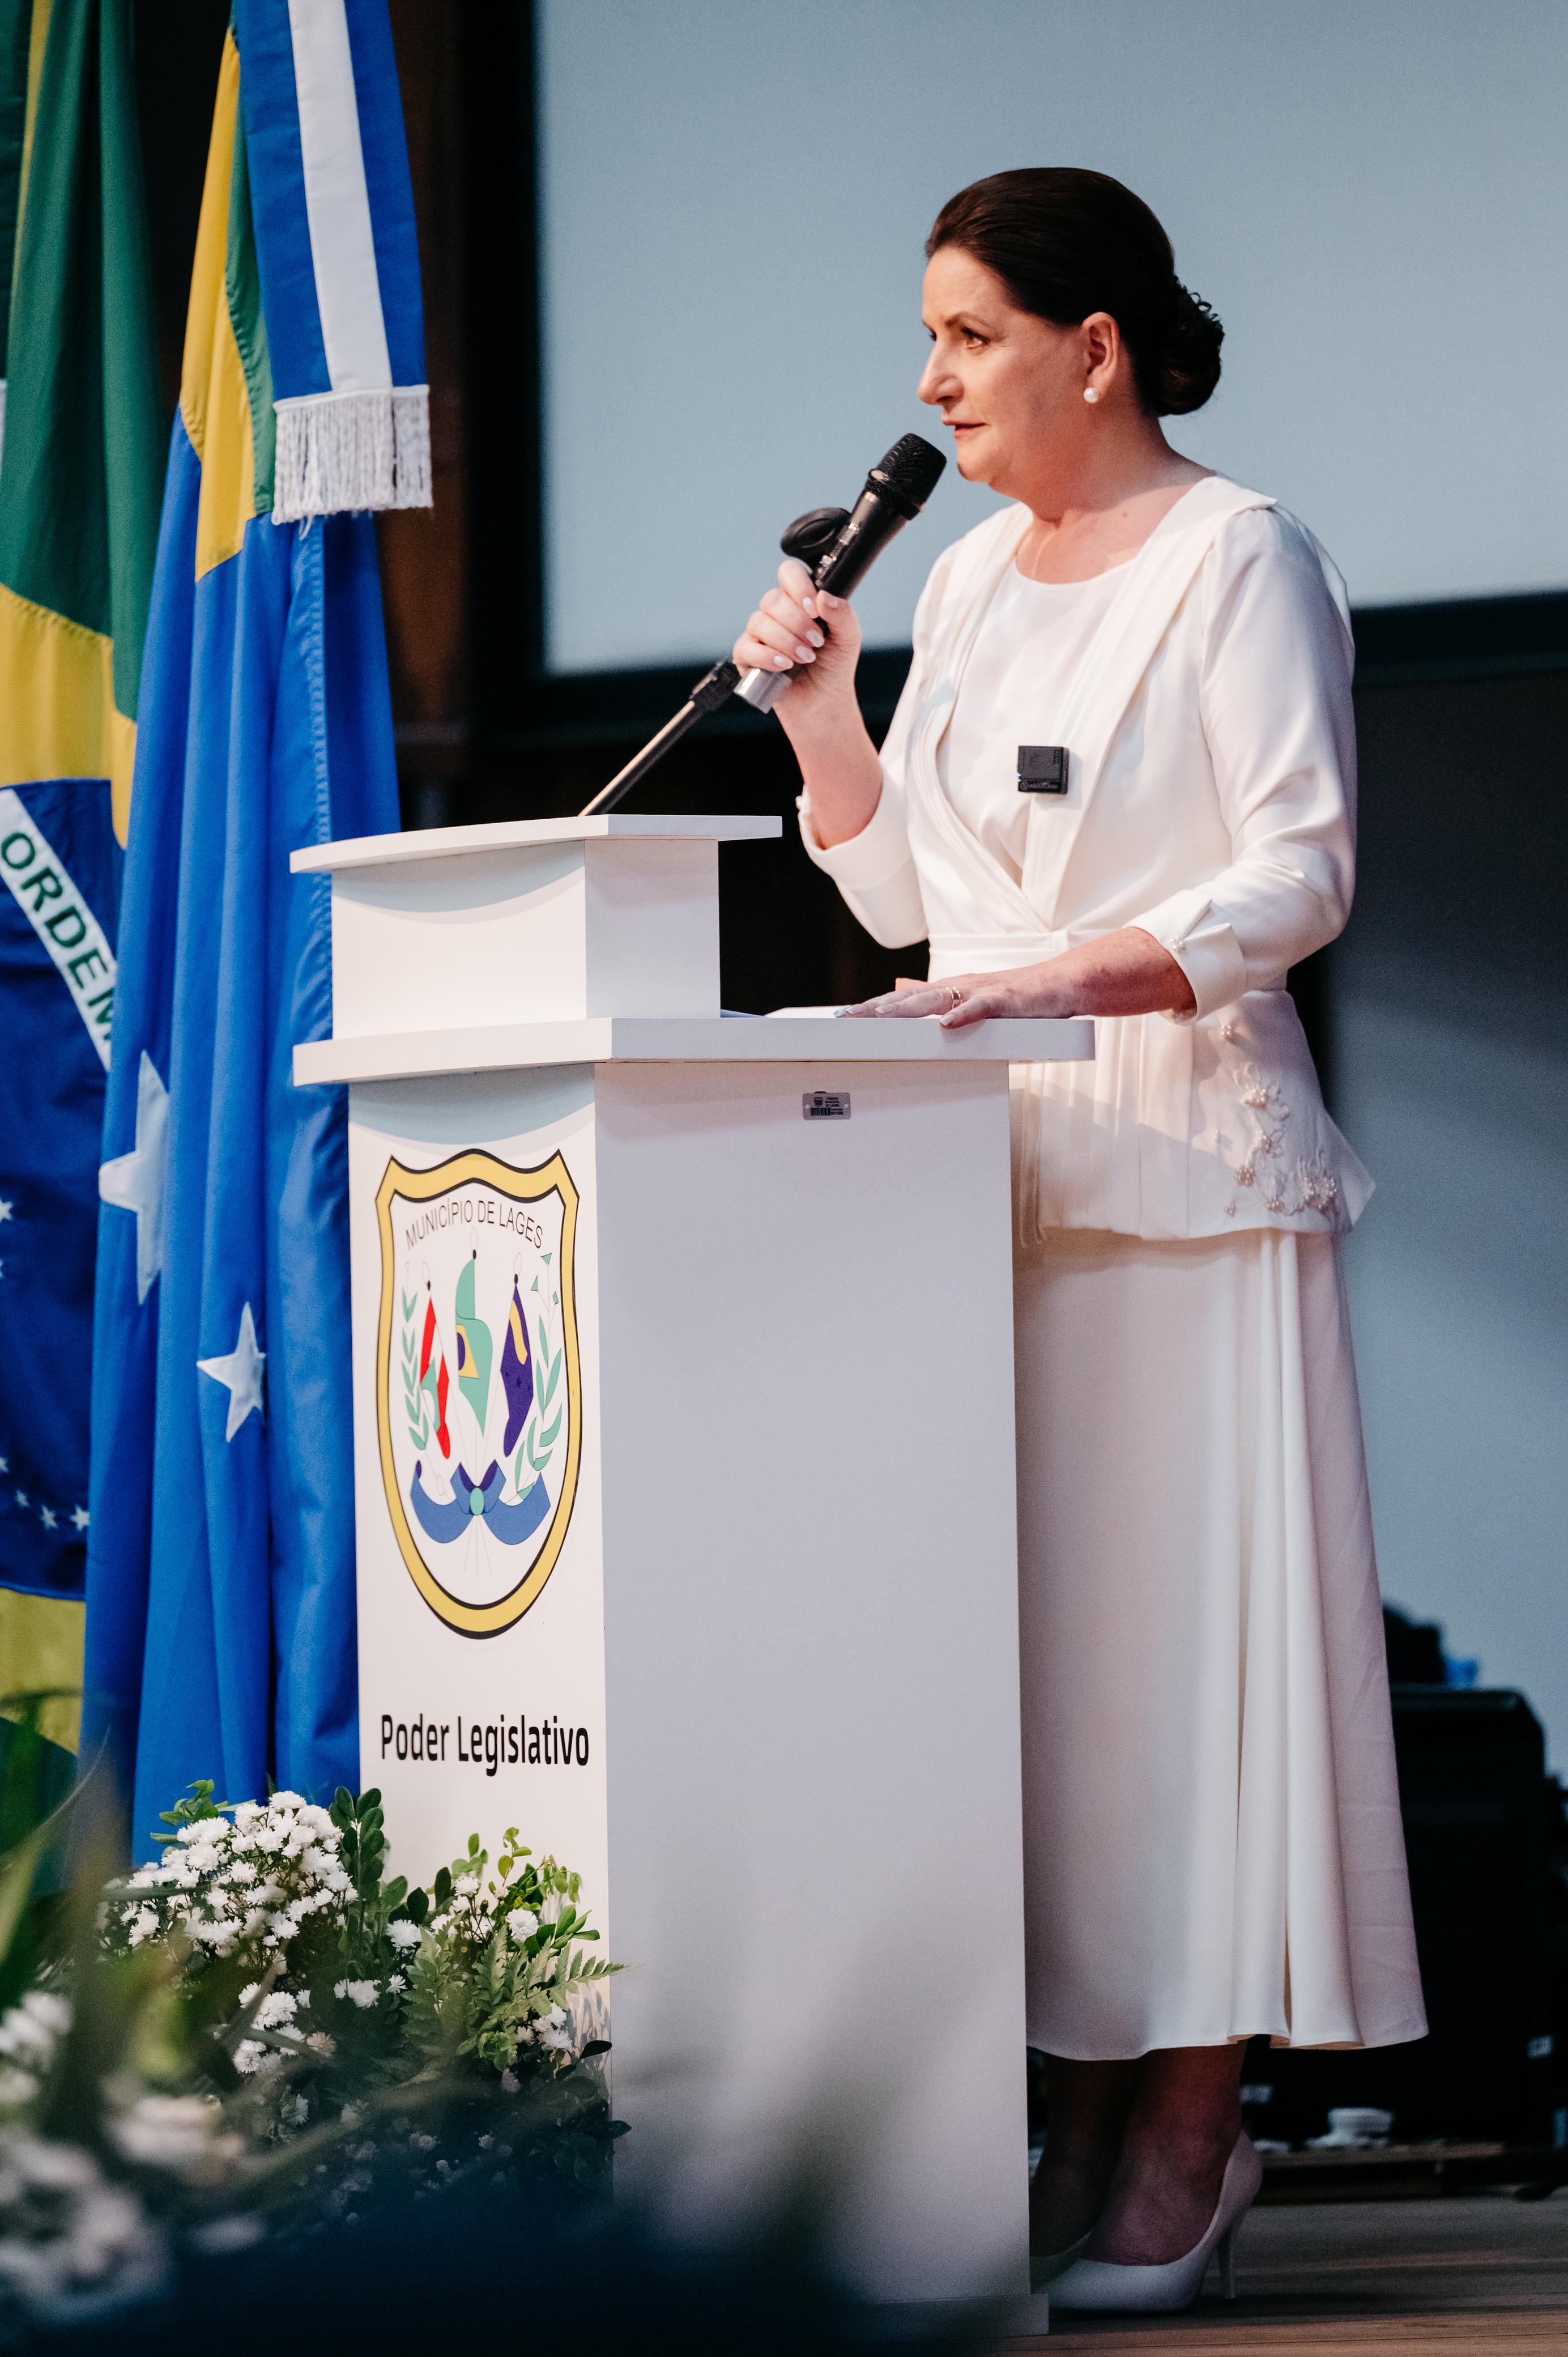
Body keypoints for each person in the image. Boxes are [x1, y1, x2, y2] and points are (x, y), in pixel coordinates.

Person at [733, 168, 1425, 2315]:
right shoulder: (971, 581)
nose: (931, 382)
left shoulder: (1240, 557)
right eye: (930, 339)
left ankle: (1194, 2129)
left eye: (969, 336)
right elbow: (913, 906)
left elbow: (1298, 873)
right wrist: (824, 717)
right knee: (1045, 1691)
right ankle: (1078, 2106)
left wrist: (1065, 979)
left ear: (1095, 348)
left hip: (1187, 1175)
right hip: (987, 1183)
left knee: (1190, 1672)